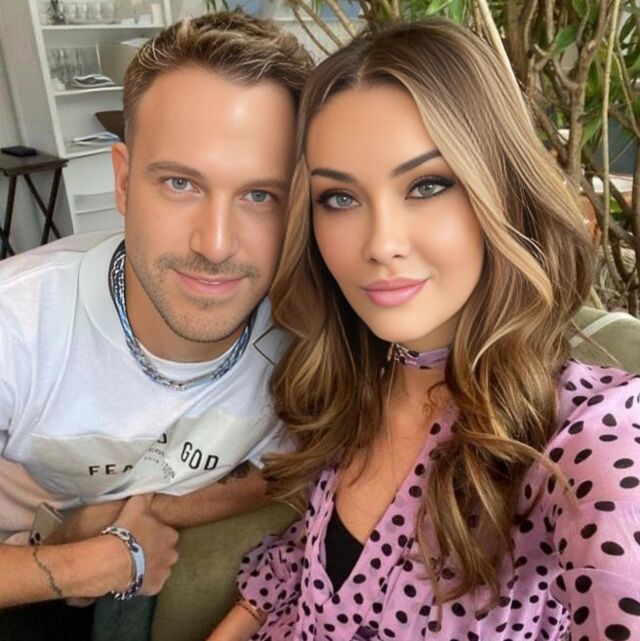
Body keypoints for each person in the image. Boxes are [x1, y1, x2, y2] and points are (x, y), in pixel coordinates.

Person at [208, 18, 640, 641]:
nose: (380, 244)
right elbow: (306, 559)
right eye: (339, 198)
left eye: (428, 185)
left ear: (502, 193)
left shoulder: (591, 432)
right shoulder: (359, 380)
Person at [0, 9, 311, 640]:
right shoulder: (19, 323)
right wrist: (91, 557)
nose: (216, 244)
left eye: (260, 195)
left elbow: (290, 469)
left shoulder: (311, 336)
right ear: (122, 182)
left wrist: (140, 510)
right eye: (180, 183)